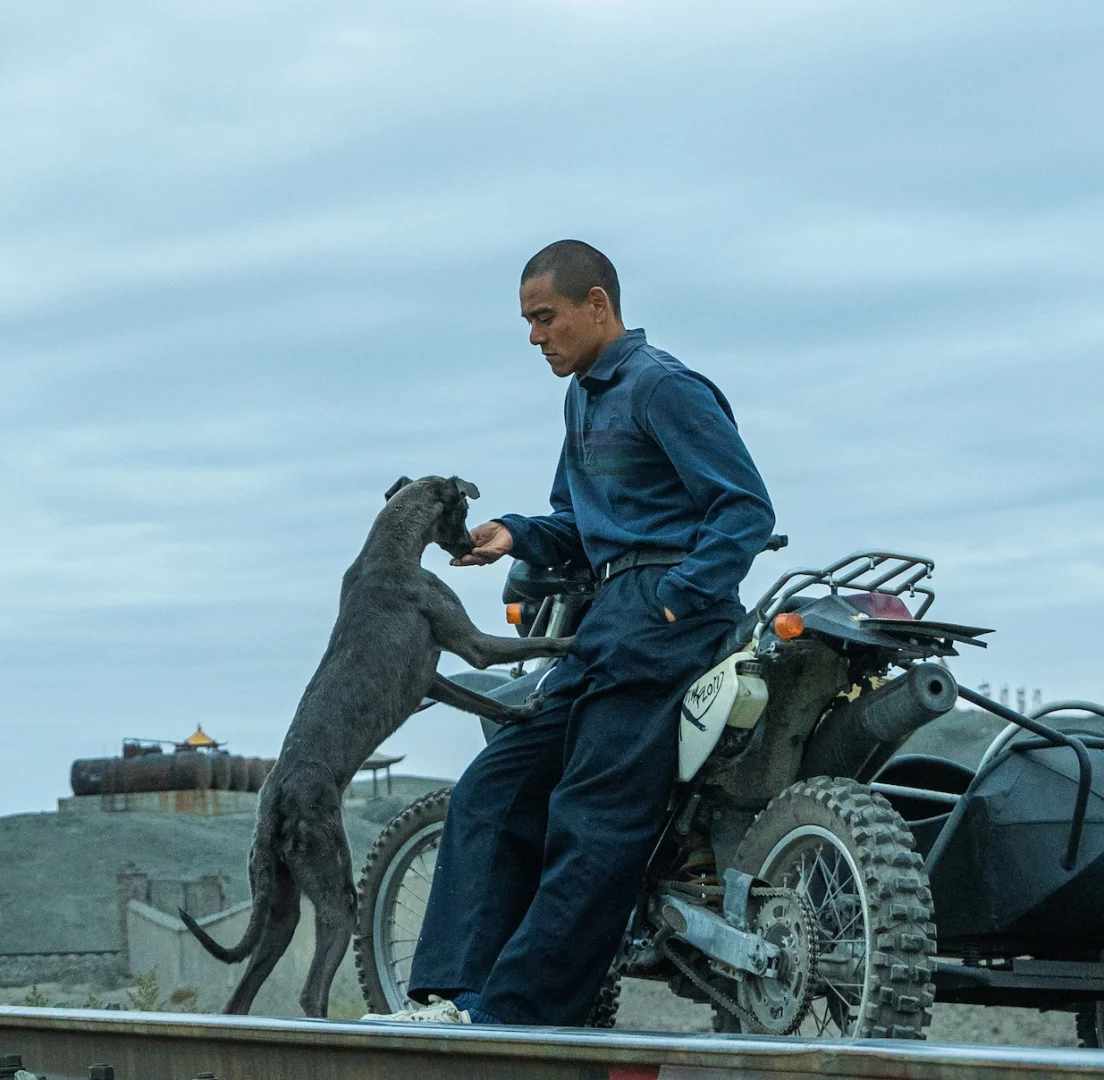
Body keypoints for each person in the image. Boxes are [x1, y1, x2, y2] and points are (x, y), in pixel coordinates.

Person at [398, 240, 775, 1027]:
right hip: (603, 618)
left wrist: (680, 596)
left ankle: (517, 1017)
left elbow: (744, 508)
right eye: (527, 321)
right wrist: (516, 534)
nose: (535, 337)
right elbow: (575, 523)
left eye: (545, 317)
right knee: (494, 784)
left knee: (591, 813)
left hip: (666, 619)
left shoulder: (662, 387)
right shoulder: (583, 398)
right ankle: (450, 997)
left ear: (596, 305)